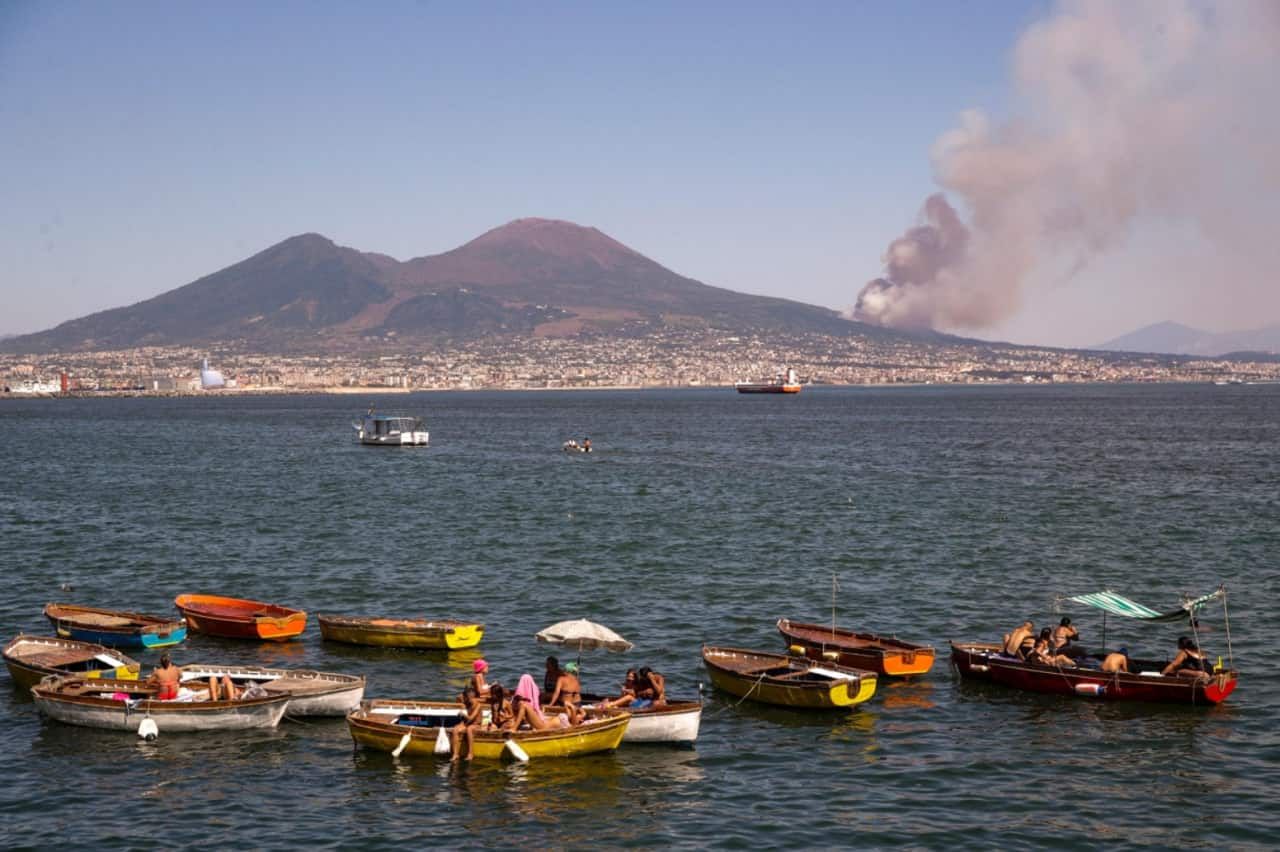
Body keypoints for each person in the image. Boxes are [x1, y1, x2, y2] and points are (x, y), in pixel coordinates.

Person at [450, 686, 485, 761]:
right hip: (467, 723)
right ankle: (455, 754)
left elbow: (471, 718)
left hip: (476, 724)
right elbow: (459, 697)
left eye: (467, 698)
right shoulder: (466, 703)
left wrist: (463, 714)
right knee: (455, 729)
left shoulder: (478, 705)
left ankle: (470, 753)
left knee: (469, 729)